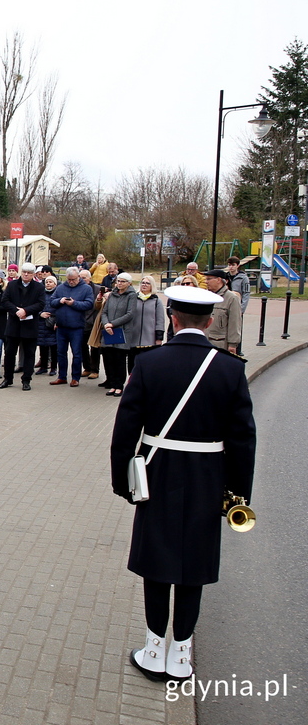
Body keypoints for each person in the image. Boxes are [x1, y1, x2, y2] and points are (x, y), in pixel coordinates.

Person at [110, 285, 255, 684]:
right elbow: (243, 440)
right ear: (209, 322)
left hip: (158, 472)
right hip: (209, 477)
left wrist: (122, 481)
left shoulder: (149, 362)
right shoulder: (230, 368)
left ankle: (153, 649)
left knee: (156, 562)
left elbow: (125, 430)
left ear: (172, 319)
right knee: (194, 564)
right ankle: (181, 654)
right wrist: (237, 496)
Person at [0, 263, 46, 391]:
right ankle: (7, 378)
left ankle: (26, 380)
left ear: (33, 274)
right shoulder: (12, 285)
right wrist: (16, 311)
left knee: (29, 354)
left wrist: (26, 311)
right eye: (24, 272)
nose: (26, 274)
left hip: (30, 325)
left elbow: (41, 304)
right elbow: (5, 301)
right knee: (9, 353)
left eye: (29, 273)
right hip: (14, 324)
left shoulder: (39, 287)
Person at [48, 267, 94, 386]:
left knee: (77, 353)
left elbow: (89, 304)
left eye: (73, 279)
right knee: (61, 353)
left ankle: (75, 377)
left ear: (78, 277)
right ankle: (62, 376)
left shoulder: (86, 288)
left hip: (76, 327)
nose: (71, 282)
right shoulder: (61, 288)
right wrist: (60, 301)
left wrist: (74, 303)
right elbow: (52, 302)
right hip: (61, 326)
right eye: (69, 279)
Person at [100, 273, 137, 397]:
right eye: (118, 281)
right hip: (109, 330)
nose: (119, 283)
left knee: (119, 359)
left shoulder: (131, 295)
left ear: (129, 283)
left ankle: (119, 386)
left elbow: (130, 314)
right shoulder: (112, 294)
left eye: (123, 281)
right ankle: (112, 384)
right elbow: (104, 312)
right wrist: (106, 324)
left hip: (122, 331)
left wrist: (113, 324)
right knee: (109, 358)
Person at [128, 276, 167, 374]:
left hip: (150, 339)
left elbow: (160, 320)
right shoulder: (133, 298)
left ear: (152, 286)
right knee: (133, 367)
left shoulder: (156, 301)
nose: (144, 285)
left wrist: (159, 338)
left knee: (147, 367)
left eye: (147, 283)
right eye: (143, 282)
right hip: (134, 339)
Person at [203, 269, 243, 353]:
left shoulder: (231, 298)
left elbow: (235, 322)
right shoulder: (205, 296)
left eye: (209, 279)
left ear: (218, 280)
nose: (206, 282)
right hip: (204, 343)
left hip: (220, 344)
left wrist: (232, 344)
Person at [35, 275, 60, 376]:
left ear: (55, 284)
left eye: (50, 282)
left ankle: (53, 367)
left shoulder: (58, 294)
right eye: (47, 282)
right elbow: (36, 306)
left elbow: (60, 308)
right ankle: (43, 367)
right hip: (41, 322)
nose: (48, 284)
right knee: (42, 345)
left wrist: (57, 321)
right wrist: (40, 313)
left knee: (54, 347)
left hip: (53, 323)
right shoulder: (41, 294)